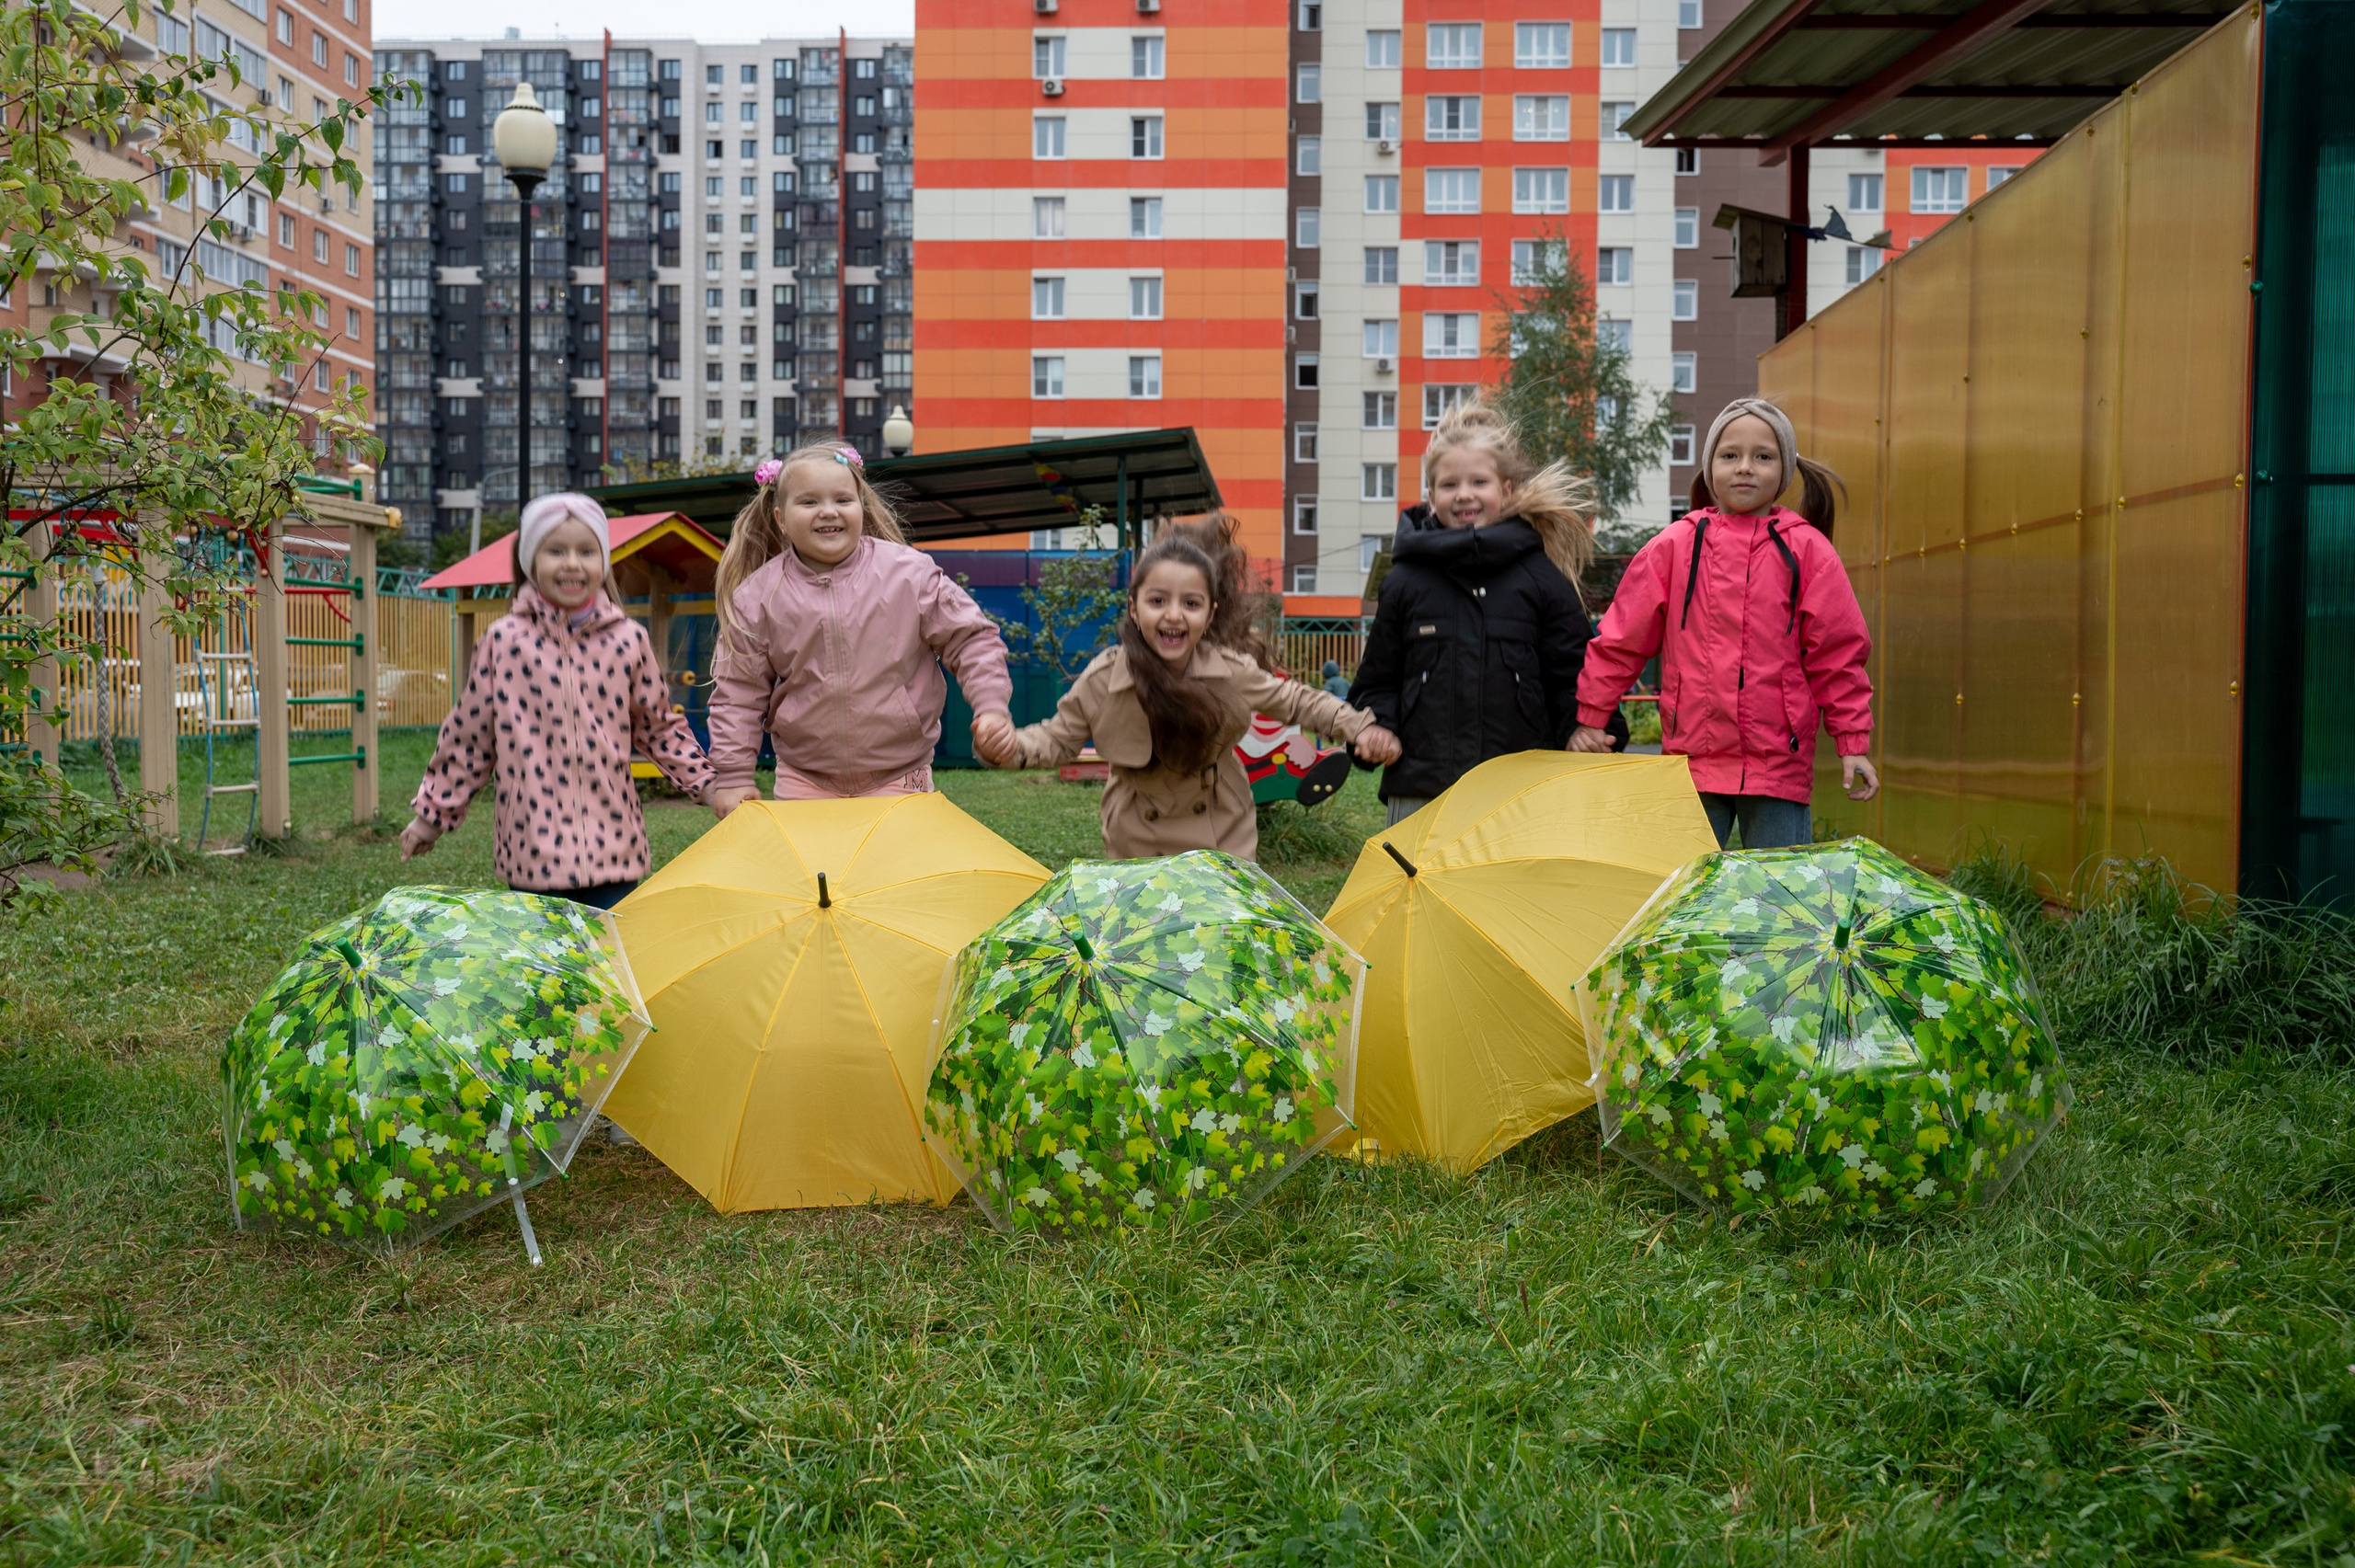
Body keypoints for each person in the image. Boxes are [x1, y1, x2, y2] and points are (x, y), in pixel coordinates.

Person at [973, 516, 1401, 860]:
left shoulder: (1229, 670)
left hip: (1221, 836)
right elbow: (1055, 738)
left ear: (1210, 614)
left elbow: (1295, 700)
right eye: (1158, 601)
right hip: (1136, 843)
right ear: (1134, 608)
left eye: (1190, 603)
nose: (1173, 615)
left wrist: (1358, 726)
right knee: (1146, 957)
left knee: (1216, 956)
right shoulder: (1105, 677)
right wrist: (1007, 746)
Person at [1571, 397, 1878, 849]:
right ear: (1710, 466)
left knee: (1782, 900)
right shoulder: (1675, 546)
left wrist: (1853, 743)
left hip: (1778, 763)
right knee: (1684, 897)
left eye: (1763, 457)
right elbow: (1620, 640)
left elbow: (1838, 656)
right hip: (1693, 759)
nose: (1745, 468)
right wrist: (1593, 717)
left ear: (1784, 470)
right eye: (1729, 455)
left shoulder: (1809, 553)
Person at [401, 492, 714, 910]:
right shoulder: (504, 642)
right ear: (532, 561)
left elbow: (659, 728)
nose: (572, 563)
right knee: (550, 972)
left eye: (587, 551)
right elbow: (469, 738)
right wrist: (431, 817)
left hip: (614, 849)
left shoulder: (627, 641)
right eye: (555, 551)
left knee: (611, 965)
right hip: (534, 854)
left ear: (603, 561)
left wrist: (710, 785)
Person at [1349, 399, 1622, 828]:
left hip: (1518, 795)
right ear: (1430, 495)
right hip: (1421, 790)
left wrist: (1582, 727)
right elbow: (1377, 679)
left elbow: (1574, 672)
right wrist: (1374, 726)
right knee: (1416, 897)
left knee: (1513, 896)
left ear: (1507, 490)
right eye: (1448, 484)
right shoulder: (1405, 580)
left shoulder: (1541, 578)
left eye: (1479, 481)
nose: (1464, 495)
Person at [705, 443, 1014, 813]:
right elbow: (738, 692)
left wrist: (992, 707)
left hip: (899, 774)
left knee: (898, 870)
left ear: (861, 509)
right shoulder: (758, 596)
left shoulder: (909, 574)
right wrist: (734, 775)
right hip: (804, 779)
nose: (828, 511)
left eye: (842, 499)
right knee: (816, 871)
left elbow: (972, 639)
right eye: (809, 502)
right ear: (780, 519)